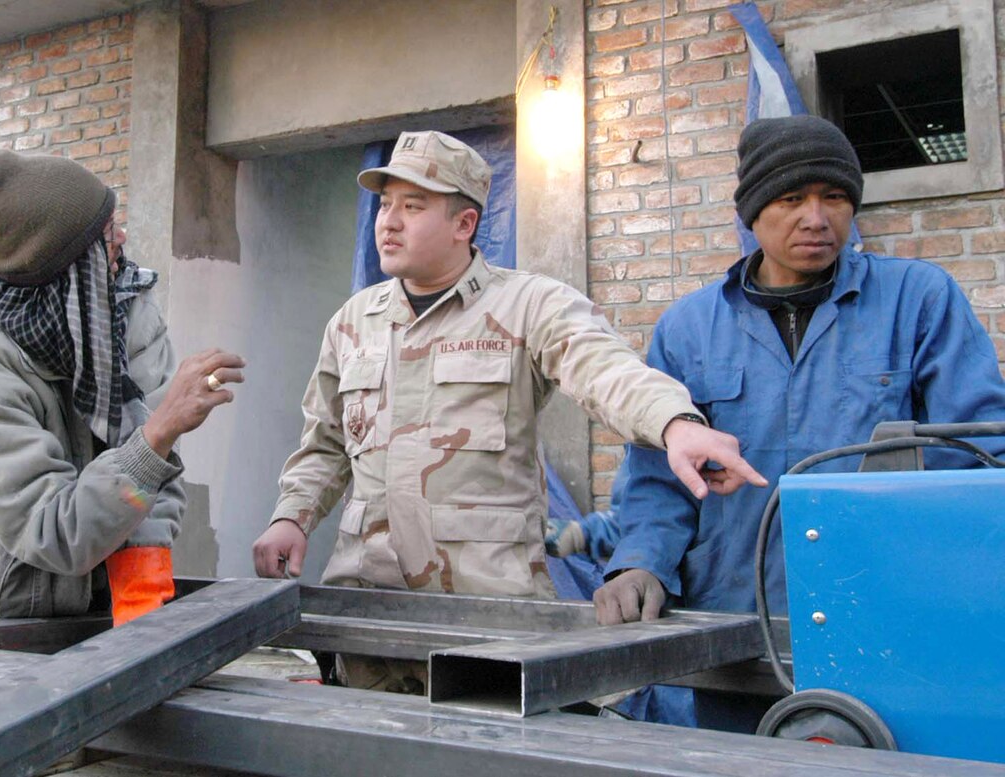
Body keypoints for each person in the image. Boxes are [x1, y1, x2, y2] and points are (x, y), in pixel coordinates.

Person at [252, 130, 765, 693]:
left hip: (490, 619)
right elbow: (326, 442)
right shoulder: (354, 322)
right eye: (385, 204)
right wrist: (291, 517)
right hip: (368, 613)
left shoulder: (528, 306)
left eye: (413, 206)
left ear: (464, 224)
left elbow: (604, 369)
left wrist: (675, 424)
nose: (388, 222)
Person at [592, 114, 1005, 730]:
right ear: (752, 211)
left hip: (883, 617)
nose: (817, 217)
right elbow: (658, 477)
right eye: (791, 199)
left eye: (834, 197)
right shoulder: (688, 328)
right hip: (729, 624)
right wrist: (640, 561)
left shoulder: (918, 299)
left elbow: (979, 447)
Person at [0, 149, 244, 626]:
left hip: (92, 594)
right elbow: (55, 532)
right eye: (105, 233)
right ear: (66, 264)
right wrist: (157, 434)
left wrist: (141, 592)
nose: (122, 239)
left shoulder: (122, 314)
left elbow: (154, 478)